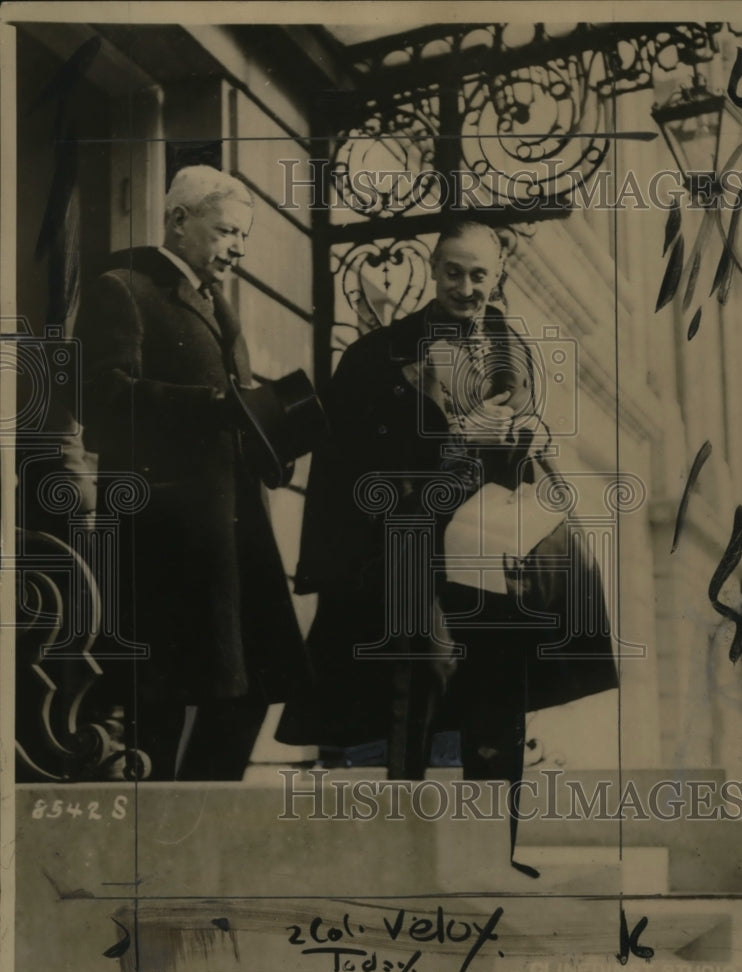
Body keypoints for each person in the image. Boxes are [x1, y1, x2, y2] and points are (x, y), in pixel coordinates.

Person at [277, 218, 617, 789]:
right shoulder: (375, 356)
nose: (466, 288)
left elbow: (530, 443)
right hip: (412, 546)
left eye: (478, 275)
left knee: (499, 685)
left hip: (494, 546)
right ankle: (404, 809)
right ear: (433, 270)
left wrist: (522, 436)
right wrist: (449, 446)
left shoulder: (514, 348)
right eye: (453, 273)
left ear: (497, 275)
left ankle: (494, 820)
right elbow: (348, 464)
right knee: (423, 674)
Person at [75, 165, 310, 780]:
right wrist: (212, 406)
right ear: (179, 221)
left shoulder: (217, 306)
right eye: (227, 231)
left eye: (244, 236)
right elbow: (101, 397)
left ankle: (201, 806)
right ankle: (164, 821)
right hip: (168, 536)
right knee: (164, 696)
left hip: (234, 532)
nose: (238, 249)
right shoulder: (124, 289)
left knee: (253, 684)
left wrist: (275, 436)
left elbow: (237, 410)